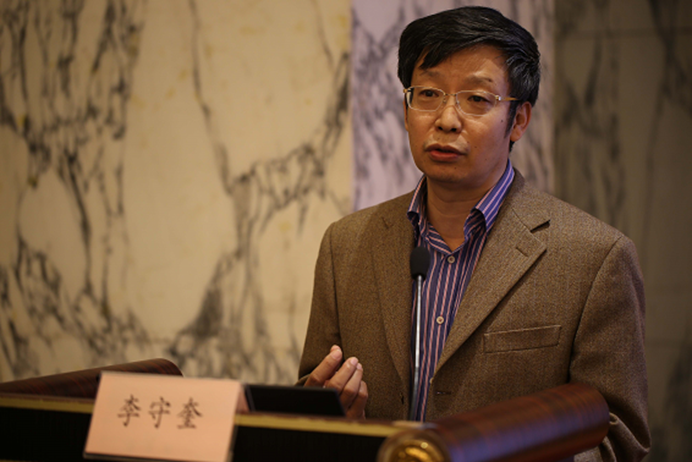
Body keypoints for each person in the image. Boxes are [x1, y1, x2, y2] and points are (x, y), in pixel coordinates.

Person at [298, 6, 649, 461]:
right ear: (405, 110)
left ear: (519, 120)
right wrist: (326, 415)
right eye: (428, 94)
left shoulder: (595, 257)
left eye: (477, 99)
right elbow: (309, 402)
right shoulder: (345, 244)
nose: (446, 119)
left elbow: (618, 438)